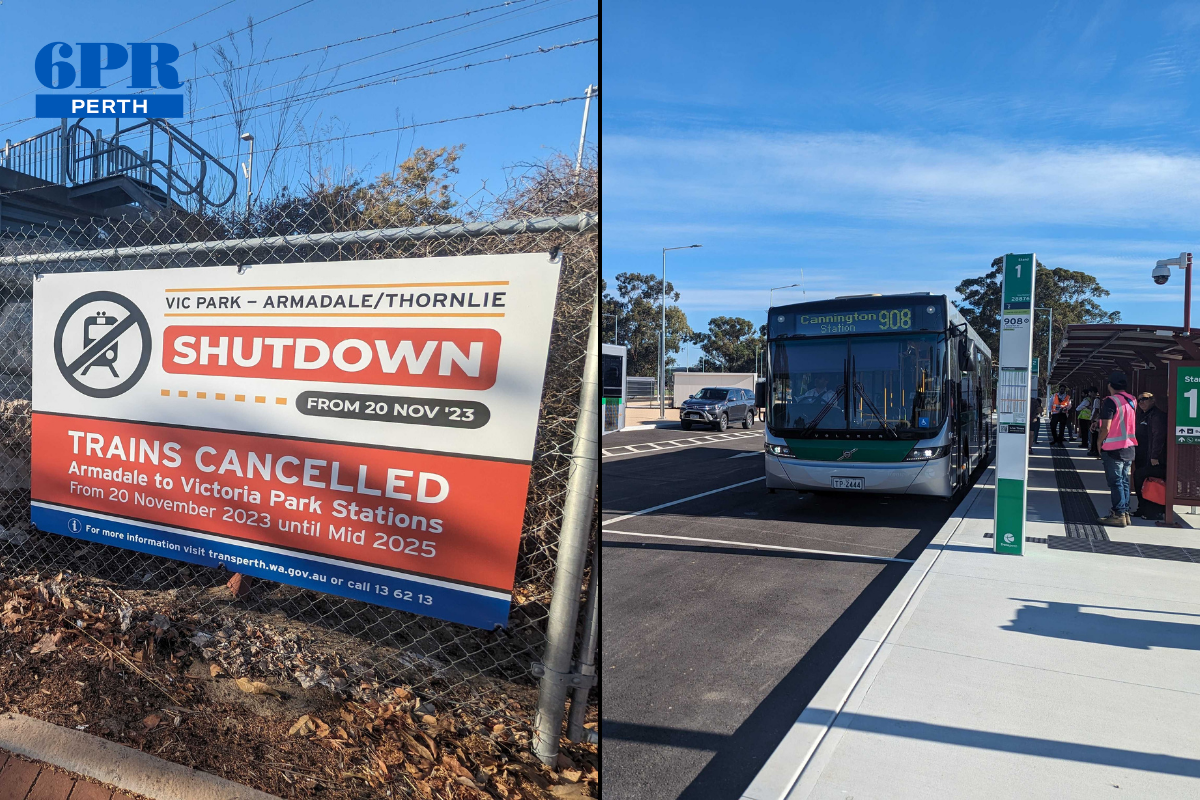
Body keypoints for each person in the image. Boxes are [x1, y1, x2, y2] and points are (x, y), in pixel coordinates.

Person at [1096, 372, 1138, 527]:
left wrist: (1099, 442)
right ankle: (1125, 512)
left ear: (1110, 385)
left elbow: (1106, 427)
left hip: (1113, 448)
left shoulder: (1110, 401)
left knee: (1115, 482)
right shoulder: (1132, 400)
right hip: (1129, 446)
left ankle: (1118, 513)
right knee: (1124, 481)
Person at [1132, 392, 1167, 520]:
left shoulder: (1157, 416)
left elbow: (1159, 437)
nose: (1141, 402)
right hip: (1141, 455)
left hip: (1153, 458)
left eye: (1145, 399)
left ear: (1153, 400)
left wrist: (1154, 456)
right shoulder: (1142, 415)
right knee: (1140, 479)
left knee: (1143, 478)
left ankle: (1153, 510)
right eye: (1139, 400)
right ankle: (1143, 508)